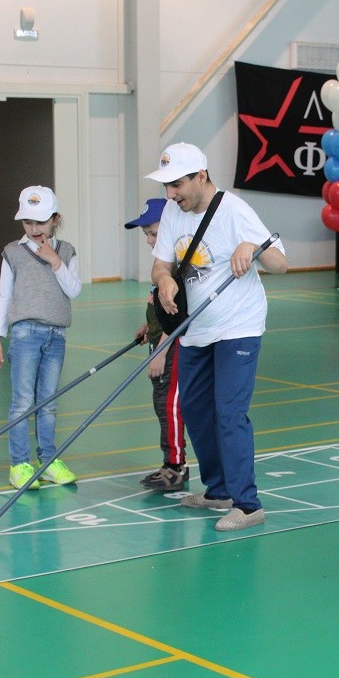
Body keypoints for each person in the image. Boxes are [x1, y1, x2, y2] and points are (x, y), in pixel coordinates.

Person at [149, 142, 288, 532]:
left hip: (237, 326)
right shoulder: (174, 214)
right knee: (195, 410)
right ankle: (219, 489)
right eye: (167, 186)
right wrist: (163, 283)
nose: (171, 194)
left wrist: (252, 248)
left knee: (229, 413)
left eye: (177, 185)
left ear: (202, 176)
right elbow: (160, 265)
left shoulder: (234, 211)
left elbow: (280, 263)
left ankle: (247, 503)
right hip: (197, 328)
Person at [0, 186, 82, 490]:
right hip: (25, 334)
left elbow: (74, 290)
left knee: (49, 402)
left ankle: (48, 460)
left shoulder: (66, 251)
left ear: (54, 220)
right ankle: (19, 464)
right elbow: (4, 297)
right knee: (22, 402)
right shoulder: (13, 252)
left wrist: (55, 261)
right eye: (28, 223)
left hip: (56, 336)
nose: (34, 229)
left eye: (40, 223)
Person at [125, 197, 190, 492]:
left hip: (173, 347)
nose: (151, 241)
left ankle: (176, 466)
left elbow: (176, 315)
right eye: (147, 235)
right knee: (160, 404)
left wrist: (161, 349)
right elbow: (160, 308)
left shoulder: (177, 267)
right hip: (159, 341)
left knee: (169, 404)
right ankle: (169, 461)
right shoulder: (161, 267)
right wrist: (148, 327)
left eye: (155, 233)